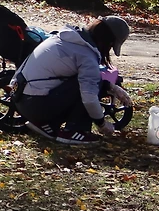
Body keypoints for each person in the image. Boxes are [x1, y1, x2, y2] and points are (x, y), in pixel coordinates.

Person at [14, 16, 132, 145]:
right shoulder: (86, 55)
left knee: (90, 80)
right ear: (108, 41)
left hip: (20, 99)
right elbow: (89, 98)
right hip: (35, 105)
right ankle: (74, 131)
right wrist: (102, 124)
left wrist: (110, 87)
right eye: (111, 46)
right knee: (90, 86)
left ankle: (47, 124)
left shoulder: (67, 38)